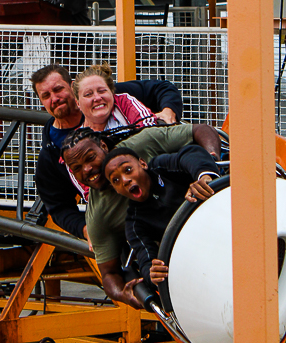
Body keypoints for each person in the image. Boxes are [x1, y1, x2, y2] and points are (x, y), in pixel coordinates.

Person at [60, 124, 221, 307]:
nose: (87, 169)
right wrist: (129, 290)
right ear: (115, 189)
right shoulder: (127, 220)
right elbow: (112, 272)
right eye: (77, 168)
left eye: (90, 158)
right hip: (188, 255)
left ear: (142, 163)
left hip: (214, 217)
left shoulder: (158, 164)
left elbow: (193, 143)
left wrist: (208, 172)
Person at [30, 64, 182, 240]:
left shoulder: (109, 98)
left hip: (162, 180)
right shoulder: (52, 153)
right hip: (122, 207)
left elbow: (162, 88)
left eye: (58, 90)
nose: (54, 98)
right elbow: (58, 206)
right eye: (46, 96)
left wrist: (168, 112)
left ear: (72, 87)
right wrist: (85, 229)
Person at [102, 145, 220, 285]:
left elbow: (191, 153)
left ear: (143, 164)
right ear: (115, 190)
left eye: (128, 170)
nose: (125, 180)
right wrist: (152, 273)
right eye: (115, 180)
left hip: (222, 222)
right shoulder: (134, 222)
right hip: (203, 259)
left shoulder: (162, 167)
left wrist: (204, 177)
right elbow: (146, 261)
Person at [72, 64, 158, 132]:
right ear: (78, 103)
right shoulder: (76, 140)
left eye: (102, 91)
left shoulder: (123, 103)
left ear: (112, 92)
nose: (97, 98)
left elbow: (150, 130)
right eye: (88, 94)